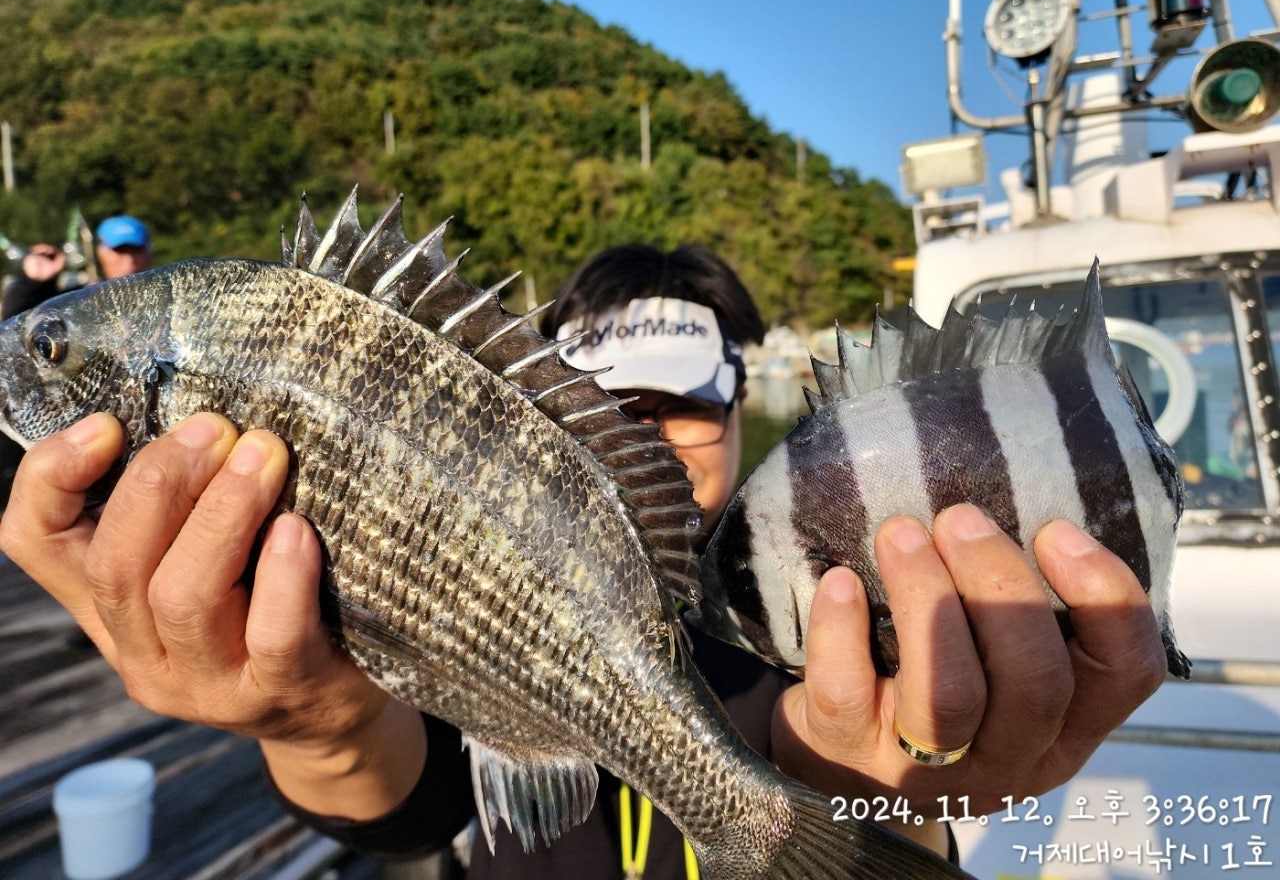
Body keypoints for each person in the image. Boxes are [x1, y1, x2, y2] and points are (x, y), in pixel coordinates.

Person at [0, 243, 1169, 878]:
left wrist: (891, 790)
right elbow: (408, 804)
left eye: (679, 404)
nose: (646, 438)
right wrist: (315, 723)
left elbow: (866, 777)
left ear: (737, 403)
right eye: (598, 414)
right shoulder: (508, 578)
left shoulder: (816, 602)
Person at [1, 214, 153, 319]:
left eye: (136, 250)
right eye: (120, 250)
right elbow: (16, 327)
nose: (129, 259)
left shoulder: (167, 292)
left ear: (149, 252)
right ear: (101, 253)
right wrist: (34, 282)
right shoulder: (81, 298)